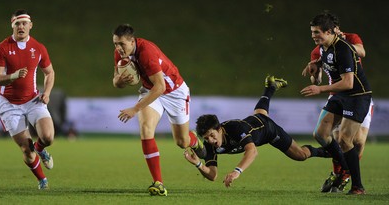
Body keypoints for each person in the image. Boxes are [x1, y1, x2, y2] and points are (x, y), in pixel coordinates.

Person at [184, 75, 330, 188]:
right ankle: (270, 87)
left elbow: (252, 151)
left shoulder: (234, 127)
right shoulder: (209, 144)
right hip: (254, 122)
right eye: (206, 137)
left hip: (267, 130)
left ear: (219, 129)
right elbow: (213, 175)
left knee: (301, 155)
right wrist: (198, 164)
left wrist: (237, 171)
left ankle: (328, 152)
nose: (210, 140)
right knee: (260, 113)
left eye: (212, 135)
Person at [112, 24, 205, 196]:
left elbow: (160, 87)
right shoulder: (120, 54)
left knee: (181, 142)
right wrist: (121, 81)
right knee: (146, 129)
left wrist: (135, 109)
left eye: (121, 44)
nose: (118, 48)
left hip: (174, 91)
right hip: (150, 90)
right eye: (115, 44)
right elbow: (115, 82)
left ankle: (194, 140)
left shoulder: (146, 52)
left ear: (132, 41)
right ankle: (158, 183)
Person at [301, 12, 372, 195]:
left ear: (330, 31)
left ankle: (357, 186)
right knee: (320, 134)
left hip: (356, 95)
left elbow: (348, 83)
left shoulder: (344, 48)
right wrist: (316, 64)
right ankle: (343, 165)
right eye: (312, 32)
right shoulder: (324, 46)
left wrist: (320, 89)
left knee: (346, 140)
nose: (313, 36)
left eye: (317, 32)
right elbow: (327, 60)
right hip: (340, 96)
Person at [0, 9, 55, 189]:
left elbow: (49, 73)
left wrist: (47, 92)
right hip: (9, 104)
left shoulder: (38, 47)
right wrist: (13, 76)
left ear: (30, 25)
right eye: (17, 23)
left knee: (48, 137)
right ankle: (42, 179)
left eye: (24, 23)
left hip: (33, 100)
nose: (21, 26)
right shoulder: (2, 48)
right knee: (27, 149)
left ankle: (41, 149)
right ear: (12, 25)